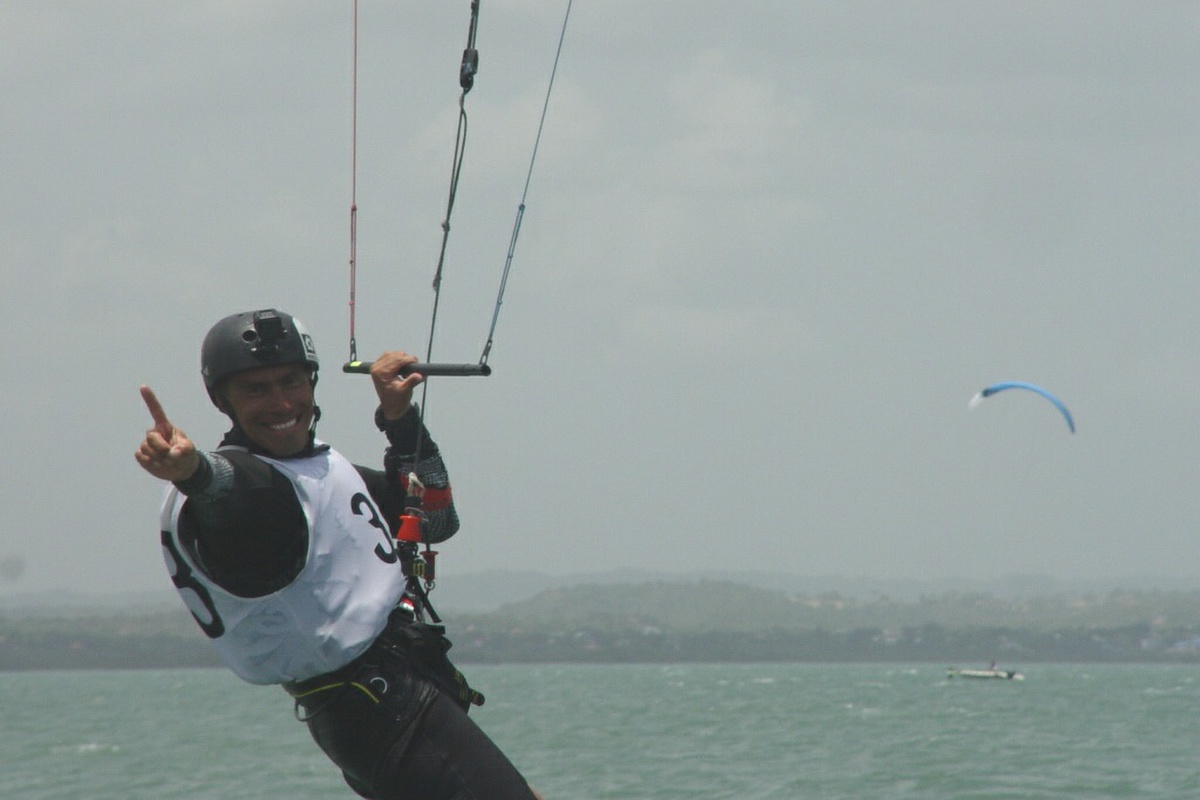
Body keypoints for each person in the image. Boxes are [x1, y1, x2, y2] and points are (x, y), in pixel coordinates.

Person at [135, 308, 541, 800]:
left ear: (312, 381)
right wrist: (193, 471)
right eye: (255, 389)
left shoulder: (321, 470)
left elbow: (437, 520)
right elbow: (236, 499)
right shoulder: (242, 486)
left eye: (291, 381)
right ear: (223, 401)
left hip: (391, 697)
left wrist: (398, 416)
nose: (281, 402)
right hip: (381, 710)